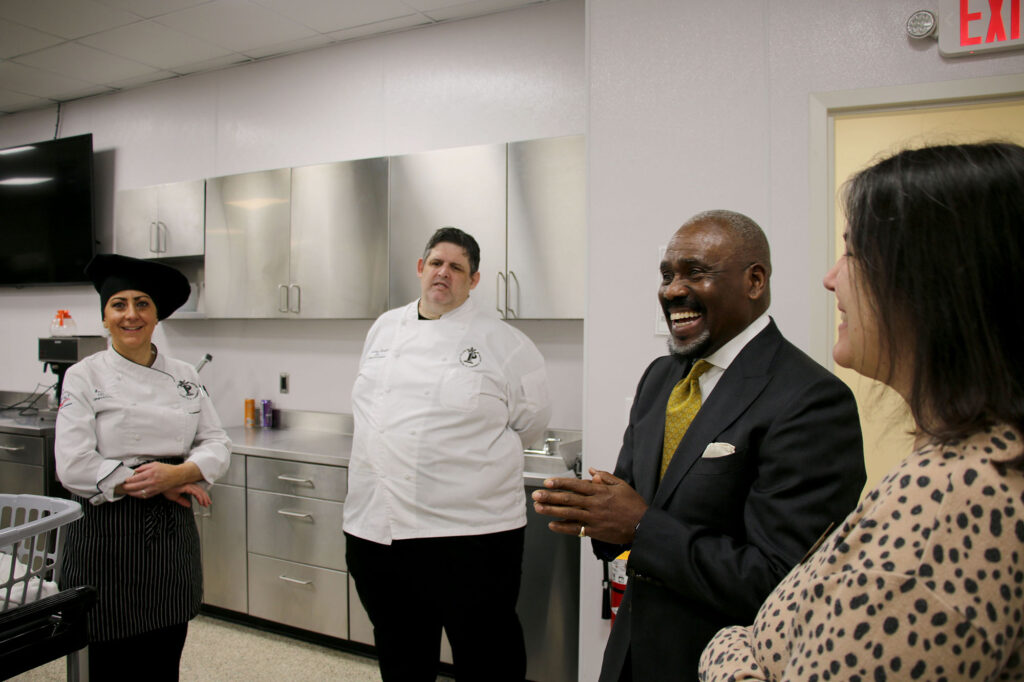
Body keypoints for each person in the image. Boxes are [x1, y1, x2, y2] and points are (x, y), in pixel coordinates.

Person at [700, 143, 1024, 680]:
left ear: (931, 283)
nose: (831, 278)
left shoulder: (949, 504)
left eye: (852, 252)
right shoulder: (972, 460)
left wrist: (729, 652)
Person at [531, 210, 866, 682]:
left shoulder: (810, 400)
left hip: (722, 664)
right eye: (667, 275)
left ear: (754, 281)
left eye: (696, 272)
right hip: (630, 655)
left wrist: (639, 525)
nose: (672, 290)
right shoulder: (661, 378)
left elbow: (780, 581)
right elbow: (635, 504)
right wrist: (598, 519)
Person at [343, 226, 551, 681]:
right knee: (401, 656)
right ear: (420, 268)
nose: (444, 273)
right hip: (380, 532)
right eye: (436, 262)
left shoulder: (507, 344)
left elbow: (531, 424)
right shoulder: (383, 328)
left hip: (470, 538)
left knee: (487, 659)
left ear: (474, 281)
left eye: (457, 267)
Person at [55, 254, 231, 680]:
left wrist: (182, 474)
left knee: (164, 655)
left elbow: (216, 442)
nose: (130, 315)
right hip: (104, 536)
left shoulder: (185, 375)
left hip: (169, 539)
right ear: (104, 316)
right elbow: (74, 465)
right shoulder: (84, 376)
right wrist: (153, 482)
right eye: (118, 304)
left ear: (156, 316)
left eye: (142, 304)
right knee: (110, 661)